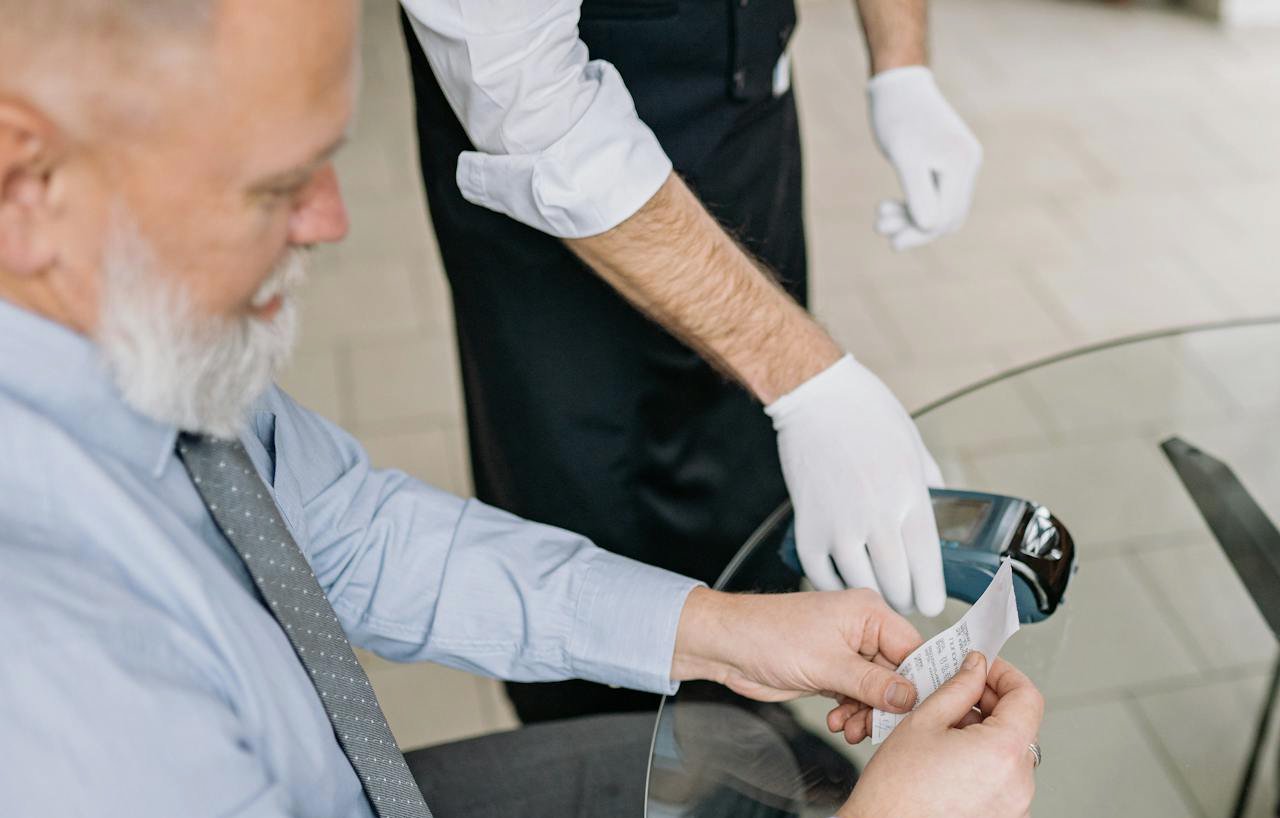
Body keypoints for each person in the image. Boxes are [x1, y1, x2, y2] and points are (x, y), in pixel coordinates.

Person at [0, 1, 1040, 817]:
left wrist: (723, 632)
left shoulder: (131, 350)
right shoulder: (50, 666)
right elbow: (520, 91)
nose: (333, 218)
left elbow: (350, 533)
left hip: (350, 781)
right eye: (275, 186)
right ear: (24, 181)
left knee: (747, 753)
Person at [398, 0, 983, 721]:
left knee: (751, 495)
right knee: (582, 515)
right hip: (542, 185)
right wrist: (806, 376)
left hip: (743, 121)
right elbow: (522, 94)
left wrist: (902, 67)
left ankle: (746, 733)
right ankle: (605, 758)